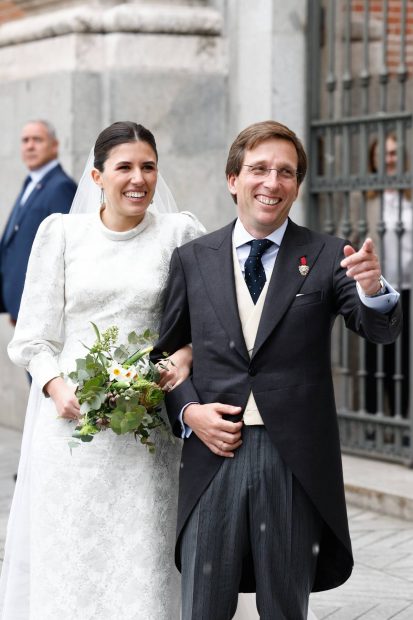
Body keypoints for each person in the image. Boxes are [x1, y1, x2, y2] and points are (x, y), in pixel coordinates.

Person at [152, 120, 402, 620]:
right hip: (212, 454)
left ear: (297, 185)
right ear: (233, 179)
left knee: (286, 606)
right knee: (204, 605)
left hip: (294, 460)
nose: (272, 182)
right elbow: (166, 354)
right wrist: (190, 413)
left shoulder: (329, 255)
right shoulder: (192, 258)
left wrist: (374, 292)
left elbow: (376, 330)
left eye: (285, 172)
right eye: (259, 169)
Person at [0, 121, 205, 619]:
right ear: (96, 176)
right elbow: (32, 335)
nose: (139, 179)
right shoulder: (62, 234)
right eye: (125, 167)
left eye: (149, 166)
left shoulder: (179, 234)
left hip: (149, 428)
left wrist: (186, 354)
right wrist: (54, 386)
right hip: (71, 426)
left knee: (143, 549)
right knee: (73, 545)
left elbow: (215, 317)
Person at [0, 120, 77, 324]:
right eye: (25, 140)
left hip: (40, 311)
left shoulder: (61, 187)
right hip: (22, 305)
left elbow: (63, 251)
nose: (30, 146)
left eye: (37, 140)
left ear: (55, 145)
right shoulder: (32, 182)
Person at [363, 134, 411, 416]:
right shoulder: (364, 199)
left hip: (409, 288)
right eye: (383, 154)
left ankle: (401, 422)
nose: (389, 160)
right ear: (373, 160)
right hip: (378, 291)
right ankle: (372, 424)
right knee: (376, 359)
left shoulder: (409, 196)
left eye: (393, 154)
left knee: (404, 361)